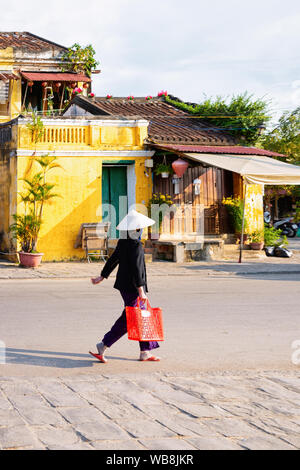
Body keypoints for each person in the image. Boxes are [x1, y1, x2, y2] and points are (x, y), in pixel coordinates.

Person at [90, 209, 160, 363]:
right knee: (130, 319)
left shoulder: (124, 242)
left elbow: (113, 259)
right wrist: (141, 291)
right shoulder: (135, 245)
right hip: (132, 288)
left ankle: (145, 351)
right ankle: (103, 344)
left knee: (141, 317)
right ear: (136, 229)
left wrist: (102, 276)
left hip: (125, 286)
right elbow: (137, 270)